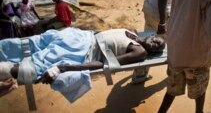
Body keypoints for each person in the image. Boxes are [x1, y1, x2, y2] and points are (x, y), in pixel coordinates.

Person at [0, 27, 165, 101]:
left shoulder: (140, 51)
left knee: (34, 68)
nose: (157, 44)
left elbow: (103, 64)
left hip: (82, 50)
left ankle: (5, 70)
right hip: (79, 36)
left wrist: (62, 68)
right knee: (29, 44)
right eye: (158, 40)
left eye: (158, 47)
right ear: (152, 35)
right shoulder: (133, 31)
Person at [131, 0, 177, 84]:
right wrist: (162, 23)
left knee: (148, 42)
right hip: (159, 13)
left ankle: (139, 75)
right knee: (174, 43)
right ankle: (175, 73)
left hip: (150, 8)